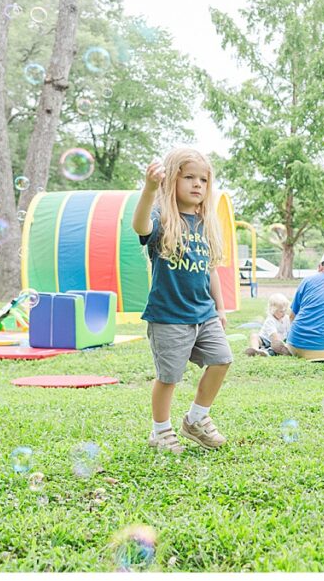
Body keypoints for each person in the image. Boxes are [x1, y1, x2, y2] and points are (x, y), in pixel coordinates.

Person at [132, 149, 233, 455]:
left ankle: (197, 419)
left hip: (204, 313)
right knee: (169, 377)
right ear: (172, 180)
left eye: (203, 179)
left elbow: (211, 269)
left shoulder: (207, 223)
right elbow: (139, 227)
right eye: (188, 177)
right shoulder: (162, 219)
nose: (197, 184)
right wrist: (150, 189)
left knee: (222, 359)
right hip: (169, 315)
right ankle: (160, 431)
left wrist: (221, 307)